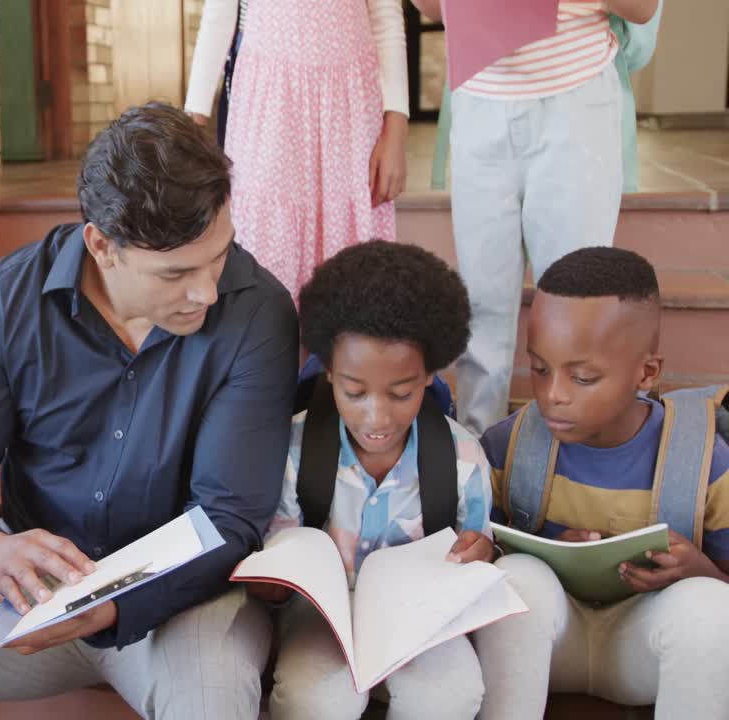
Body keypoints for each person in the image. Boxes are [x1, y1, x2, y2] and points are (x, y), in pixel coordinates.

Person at [0, 102, 299, 720]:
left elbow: (228, 518)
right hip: (34, 594)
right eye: (176, 273)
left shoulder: (257, 312)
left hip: (180, 601)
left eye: (219, 256)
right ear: (102, 245)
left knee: (211, 696)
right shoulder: (11, 298)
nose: (207, 291)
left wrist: (116, 602)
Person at [473, 247, 729, 719]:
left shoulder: (705, 460)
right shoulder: (507, 447)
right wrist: (533, 553)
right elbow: (474, 556)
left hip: (650, 650)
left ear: (647, 374)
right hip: (548, 649)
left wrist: (701, 571)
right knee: (522, 579)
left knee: (711, 606)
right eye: (540, 368)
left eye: (583, 377)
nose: (553, 396)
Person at [263, 241, 494, 720]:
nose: (377, 416)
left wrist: (479, 554)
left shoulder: (463, 458)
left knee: (450, 694)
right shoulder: (291, 450)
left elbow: (479, 549)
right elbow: (277, 566)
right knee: (316, 698)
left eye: (401, 392)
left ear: (430, 375)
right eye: (354, 391)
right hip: (319, 618)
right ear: (328, 371)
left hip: (419, 616)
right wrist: (271, 582)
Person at [408, 0, 661, 434]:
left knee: (578, 301)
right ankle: (480, 457)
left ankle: (573, 458)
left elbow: (640, 9)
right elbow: (432, 7)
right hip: (480, 94)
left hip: (575, 95)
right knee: (481, 300)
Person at [185, 0, 409, 296]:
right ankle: (269, 339)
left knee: (350, 255)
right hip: (269, 99)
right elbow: (218, 17)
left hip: (349, 102)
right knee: (265, 243)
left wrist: (396, 126)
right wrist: (191, 127)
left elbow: (386, 17)